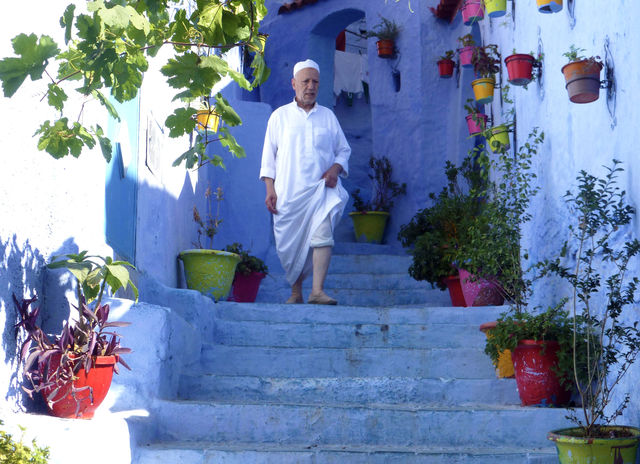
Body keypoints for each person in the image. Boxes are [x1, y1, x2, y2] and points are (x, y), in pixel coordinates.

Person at [259, 59, 351, 305]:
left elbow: (343, 150)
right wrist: (270, 188)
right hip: (288, 192)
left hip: (321, 191)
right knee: (291, 246)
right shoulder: (279, 117)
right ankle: (296, 291)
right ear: (294, 84)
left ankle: (317, 291)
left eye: (315, 82)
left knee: (323, 235)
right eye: (305, 81)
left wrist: (334, 169)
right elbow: (269, 156)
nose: (310, 86)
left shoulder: (328, 117)